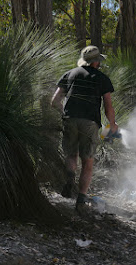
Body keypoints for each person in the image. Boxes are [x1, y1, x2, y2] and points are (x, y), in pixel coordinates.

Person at [51, 45, 118, 214]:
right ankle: (81, 198)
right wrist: (113, 124)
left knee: (71, 154)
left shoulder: (70, 74)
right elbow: (108, 106)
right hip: (90, 123)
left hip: (69, 119)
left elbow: (54, 100)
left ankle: (70, 175)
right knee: (88, 161)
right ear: (96, 62)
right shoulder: (102, 78)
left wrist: (65, 111)